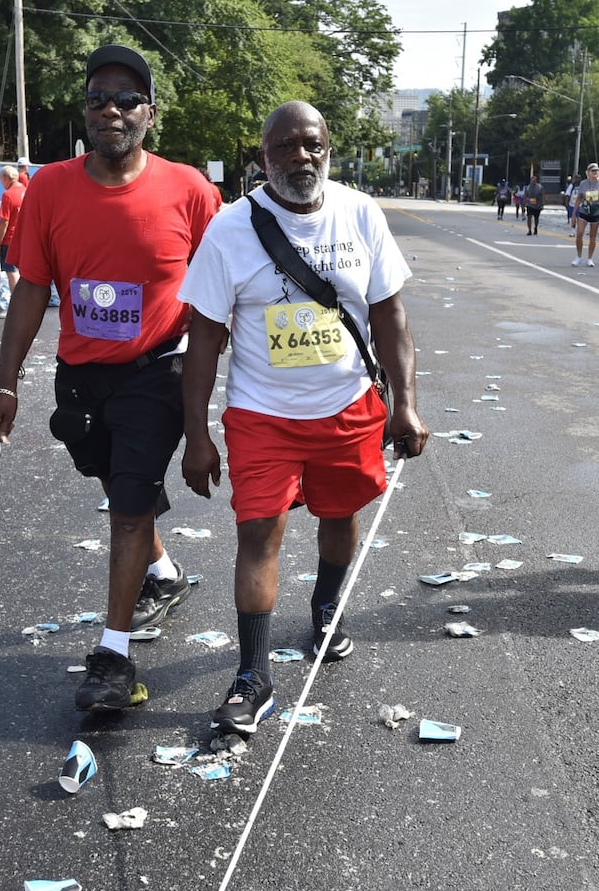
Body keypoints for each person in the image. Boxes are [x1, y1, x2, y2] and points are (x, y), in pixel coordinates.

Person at [0, 44, 222, 713]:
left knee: (126, 505)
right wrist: (5, 385)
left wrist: (213, 407)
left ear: (150, 113)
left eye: (126, 99)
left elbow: (222, 291)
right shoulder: (50, 189)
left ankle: (112, 657)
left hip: (158, 371)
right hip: (80, 380)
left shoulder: (191, 191)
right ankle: (165, 574)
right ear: (84, 111)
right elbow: (32, 287)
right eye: (98, 99)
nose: (111, 109)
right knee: (114, 482)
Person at [178, 101, 429, 735]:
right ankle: (253, 676)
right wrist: (197, 435)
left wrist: (405, 402)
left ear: (328, 148)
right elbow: (204, 339)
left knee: (338, 516)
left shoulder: (360, 213)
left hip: (346, 408)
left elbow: (389, 315)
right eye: (285, 147)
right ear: (263, 157)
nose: (300, 158)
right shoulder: (230, 230)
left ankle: (325, 605)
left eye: (311, 144)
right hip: (262, 415)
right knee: (257, 534)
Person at [0, 165, 26, 296]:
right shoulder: (26, 190)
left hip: (10, 239)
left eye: (1, 180)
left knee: (11, 271)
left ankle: (17, 298)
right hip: (25, 237)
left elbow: (4, 222)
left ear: (6, 178)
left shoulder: (8, 195)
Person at [571, 163, 599, 267]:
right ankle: (578, 256)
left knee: (593, 236)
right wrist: (574, 214)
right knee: (579, 233)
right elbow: (579, 198)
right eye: (592, 171)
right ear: (588, 173)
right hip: (584, 210)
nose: (595, 173)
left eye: (596, 171)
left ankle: (590, 258)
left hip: (596, 211)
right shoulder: (583, 183)